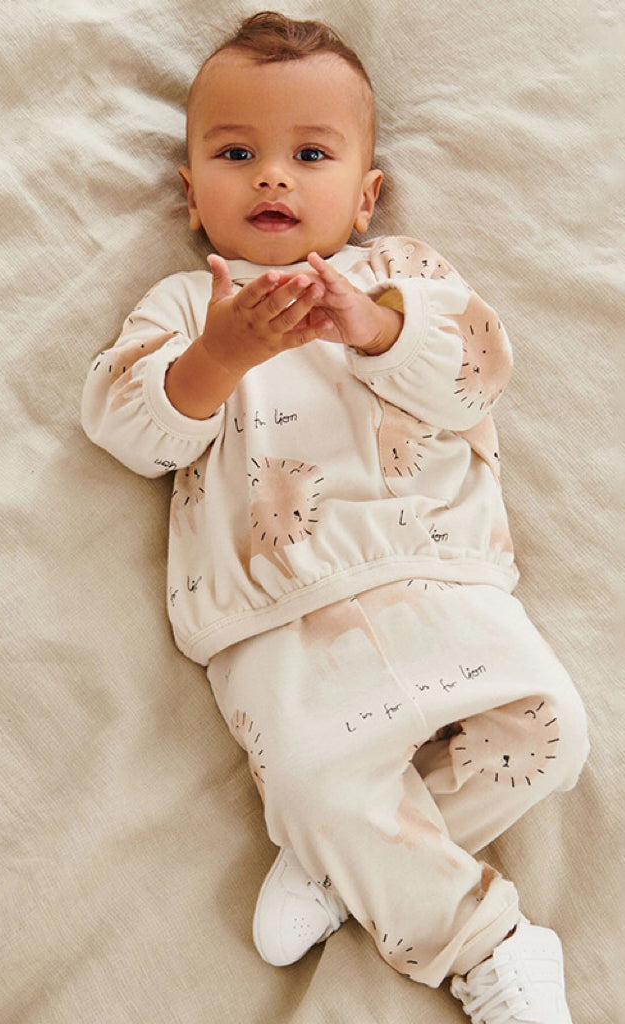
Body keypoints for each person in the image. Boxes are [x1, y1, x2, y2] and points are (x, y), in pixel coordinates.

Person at [81, 12, 589, 1023]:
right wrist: (217, 360)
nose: (272, 178)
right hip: (274, 616)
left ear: (364, 195)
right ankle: (484, 943)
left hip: (437, 573)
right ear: (191, 193)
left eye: (308, 154)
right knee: (316, 780)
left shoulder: (406, 279)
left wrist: (376, 327)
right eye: (236, 154)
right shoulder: (186, 306)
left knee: (550, 730)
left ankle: (343, 857)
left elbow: (474, 375)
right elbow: (127, 426)